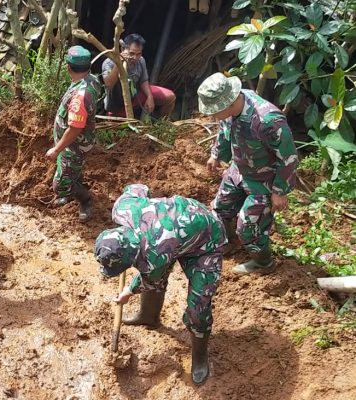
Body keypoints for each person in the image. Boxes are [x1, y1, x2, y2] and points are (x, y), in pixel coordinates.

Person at [94, 184, 227, 385]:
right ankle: (148, 317)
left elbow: (148, 279)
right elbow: (139, 187)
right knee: (155, 277)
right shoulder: (122, 208)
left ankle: (200, 356)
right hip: (177, 230)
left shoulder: (154, 256)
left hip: (206, 240)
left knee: (198, 307)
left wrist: (128, 291)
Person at [198, 73, 298, 275]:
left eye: (214, 112)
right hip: (239, 170)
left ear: (229, 103)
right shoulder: (230, 111)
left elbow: (288, 156)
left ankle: (263, 263)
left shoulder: (267, 120)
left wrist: (280, 191)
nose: (212, 116)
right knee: (219, 210)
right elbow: (225, 131)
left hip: (264, 181)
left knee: (248, 228)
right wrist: (216, 155)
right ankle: (225, 244)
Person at [46, 45, 102, 222]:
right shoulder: (91, 79)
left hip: (74, 145)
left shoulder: (80, 95)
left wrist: (56, 149)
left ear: (68, 68)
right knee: (74, 171)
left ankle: (85, 200)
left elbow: (75, 128)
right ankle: (74, 186)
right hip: (77, 143)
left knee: (60, 185)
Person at [102, 34, 176, 118]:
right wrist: (118, 64)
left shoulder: (141, 61)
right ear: (122, 49)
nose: (135, 57)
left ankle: (161, 123)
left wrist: (150, 96)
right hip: (116, 106)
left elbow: (143, 80)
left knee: (170, 97)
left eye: (138, 54)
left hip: (135, 97)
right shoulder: (109, 63)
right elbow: (109, 84)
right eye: (131, 53)